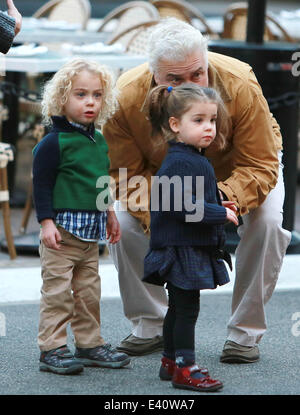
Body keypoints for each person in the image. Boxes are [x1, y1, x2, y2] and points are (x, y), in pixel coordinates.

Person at [103, 17, 291, 361]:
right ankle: (151, 324)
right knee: (124, 222)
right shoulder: (125, 97)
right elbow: (125, 175)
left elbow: (260, 163)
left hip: (239, 169)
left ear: (206, 60)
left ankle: (244, 334)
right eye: (174, 80)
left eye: (197, 74)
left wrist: (215, 202)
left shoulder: (239, 81)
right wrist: (172, 210)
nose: (190, 87)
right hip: (167, 178)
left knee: (266, 223)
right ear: (154, 74)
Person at [32, 58, 130, 375]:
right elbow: (41, 185)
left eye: (97, 95)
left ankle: (89, 344)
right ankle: (52, 348)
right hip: (61, 234)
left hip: (91, 235)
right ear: (62, 98)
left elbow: (102, 180)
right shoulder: (53, 143)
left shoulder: (98, 139)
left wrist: (111, 214)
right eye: (80, 94)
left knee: (88, 293)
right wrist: (46, 223)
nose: (90, 102)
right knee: (58, 294)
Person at [142, 83, 238, 392]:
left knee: (178, 307)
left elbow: (188, 198)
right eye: (198, 120)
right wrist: (218, 215)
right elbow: (182, 208)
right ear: (175, 124)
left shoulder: (191, 157)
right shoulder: (182, 161)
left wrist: (216, 203)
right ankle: (185, 367)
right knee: (186, 309)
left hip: (183, 245)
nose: (208, 127)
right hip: (181, 247)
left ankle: (170, 362)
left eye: (211, 120)